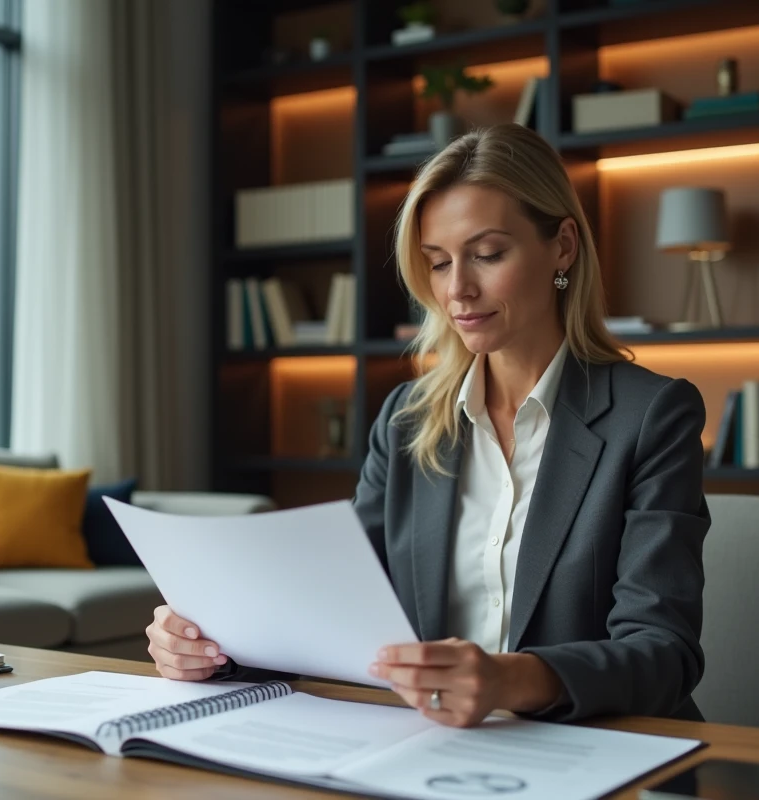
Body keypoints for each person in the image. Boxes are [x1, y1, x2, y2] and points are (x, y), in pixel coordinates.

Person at [146, 123, 710, 727]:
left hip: (603, 747)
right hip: (439, 750)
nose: (458, 289)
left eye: (488, 255)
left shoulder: (652, 416)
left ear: (564, 247)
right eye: (438, 263)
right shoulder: (408, 421)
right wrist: (212, 648)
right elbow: (331, 613)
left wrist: (511, 679)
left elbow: (663, 653)